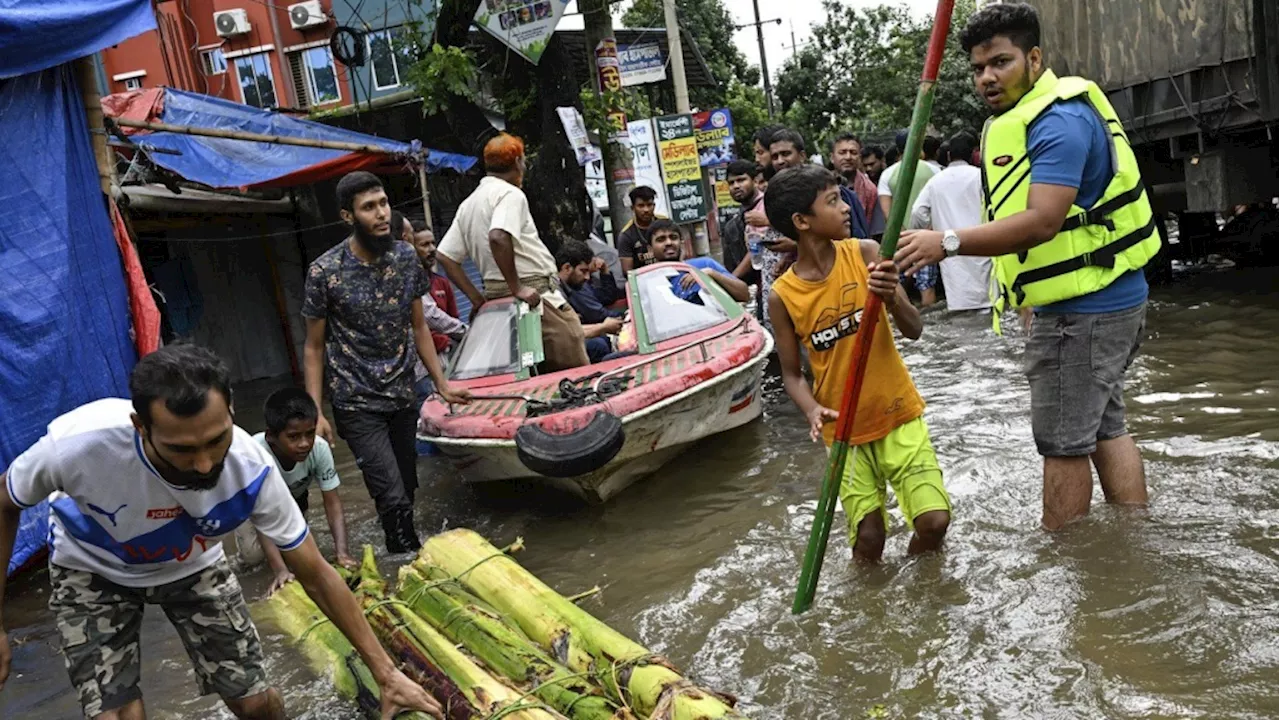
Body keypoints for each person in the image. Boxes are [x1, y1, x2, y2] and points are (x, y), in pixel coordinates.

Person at [0, 344, 442, 720]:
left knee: (255, 705)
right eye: (181, 449)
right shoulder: (78, 447)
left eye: (216, 440)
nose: (205, 465)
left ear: (231, 411)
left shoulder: (252, 467)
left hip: (192, 565)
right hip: (93, 570)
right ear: (141, 428)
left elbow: (317, 575)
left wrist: (387, 675)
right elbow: (4, 503)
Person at [895, 2, 1161, 530]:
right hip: (1102, 298)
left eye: (1001, 62)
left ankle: (1066, 562)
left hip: (1084, 311)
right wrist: (1031, 298)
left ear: (1033, 58)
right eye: (977, 68)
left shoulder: (1056, 122)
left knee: (1063, 444)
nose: (987, 78)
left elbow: (1042, 221)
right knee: (1107, 426)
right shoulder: (1044, 113)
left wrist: (944, 242)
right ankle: (1130, 545)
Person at [765, 165, 951, 563]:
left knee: (934, 521)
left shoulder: (867, 254)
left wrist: (892, 297)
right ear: (802, 222)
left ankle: (922, 583)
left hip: (897, 413)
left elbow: (914, 329)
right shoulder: (783, 295)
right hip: (843, 430)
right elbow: (792, 375)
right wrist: (812, 409)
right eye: (832, 201)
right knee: (868, 539)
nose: (846, 207)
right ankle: (872, 603)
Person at [303, 171, 469, 555]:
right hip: (355, 401)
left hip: (403, 392)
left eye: (383, 204)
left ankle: (401, 552)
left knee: (407, 488)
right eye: (368, 208)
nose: (380, 214)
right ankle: (410, 562)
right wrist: (315, 413)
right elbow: (313, 347)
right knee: (391, 495)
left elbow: (419, 325)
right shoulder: (324, 272)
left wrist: (441, 383)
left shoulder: (405, 257)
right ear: (348, 216)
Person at [436, 133, 591, 371]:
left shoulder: (469, 203)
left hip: (498, 307)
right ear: (518, 161)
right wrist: (516, 287)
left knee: (527, 376)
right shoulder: (509, 194)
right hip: (534, 299)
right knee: (575, 368)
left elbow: (445, 256)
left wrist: (477, 299)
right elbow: (498, 236)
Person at [233, 388, 356, 594]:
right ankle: (236, 560)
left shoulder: (319, 449)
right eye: (294, 437)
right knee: (253, 559)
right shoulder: (255, 456)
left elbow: (332, 502)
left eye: (309, 433)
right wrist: (280, 571)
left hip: (294, 500)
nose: (304, 443)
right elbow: (262, 520)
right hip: (250, 509)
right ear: (271, 436)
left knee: (297, 553)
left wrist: (342, 553)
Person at [908, 131, 993, 311]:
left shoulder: (935, 181)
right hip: (983, 245)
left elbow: (917, 212)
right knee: (990, 305)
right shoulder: (981, 177)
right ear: (974, 154)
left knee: (960, 310)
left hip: (950, 249)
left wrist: (926, 232)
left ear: (948, 155)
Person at [879, 129, 940, 303]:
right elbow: (938, 207)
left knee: (897, 286)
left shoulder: (887, 175)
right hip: (927, 239)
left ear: (898, 150)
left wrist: (904, 235)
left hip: (900, 241)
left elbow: (888, 215)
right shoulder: (934, 171)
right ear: (920, 147)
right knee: (926, 286)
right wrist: (928, 231)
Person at [648, 219, 750, 302]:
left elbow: (744, 295)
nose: (669, 242)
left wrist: (711, 275)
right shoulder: (646, 283)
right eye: (661, 239)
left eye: (673, 237)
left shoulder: (704, 265)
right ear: (650, 249)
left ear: (681, 242)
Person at [555, 241, 625, 362]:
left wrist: (604, 271)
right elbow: (568, 333)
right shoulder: (556, 293)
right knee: (598, 345)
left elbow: (607, 297)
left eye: (589, 272)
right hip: (561, 347)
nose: (587, 277)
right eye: (583, 271)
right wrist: (604, 326)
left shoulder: (576, 284)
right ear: (567, 268)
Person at [830, 132, 887, 237]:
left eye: (853, 152)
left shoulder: (869, 190)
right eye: (842, 152)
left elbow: (876, 232)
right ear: (832, 157)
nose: (848, 157)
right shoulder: (821, 185)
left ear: (859, 157)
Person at [721, 159, 762, 287]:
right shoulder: (736, 221)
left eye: (741, 180)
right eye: (731, 183)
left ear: (755, 181)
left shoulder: (765, 206)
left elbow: (756, 251)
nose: (736, 186)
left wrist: (731, 279)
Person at [617, 185, 664, 272]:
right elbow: (628, 271)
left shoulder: (665, 224)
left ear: (654, 205)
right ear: (633, 208)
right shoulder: (626, 235)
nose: (646, 210)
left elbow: (681, 250)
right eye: (641, 206)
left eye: (649, 205)